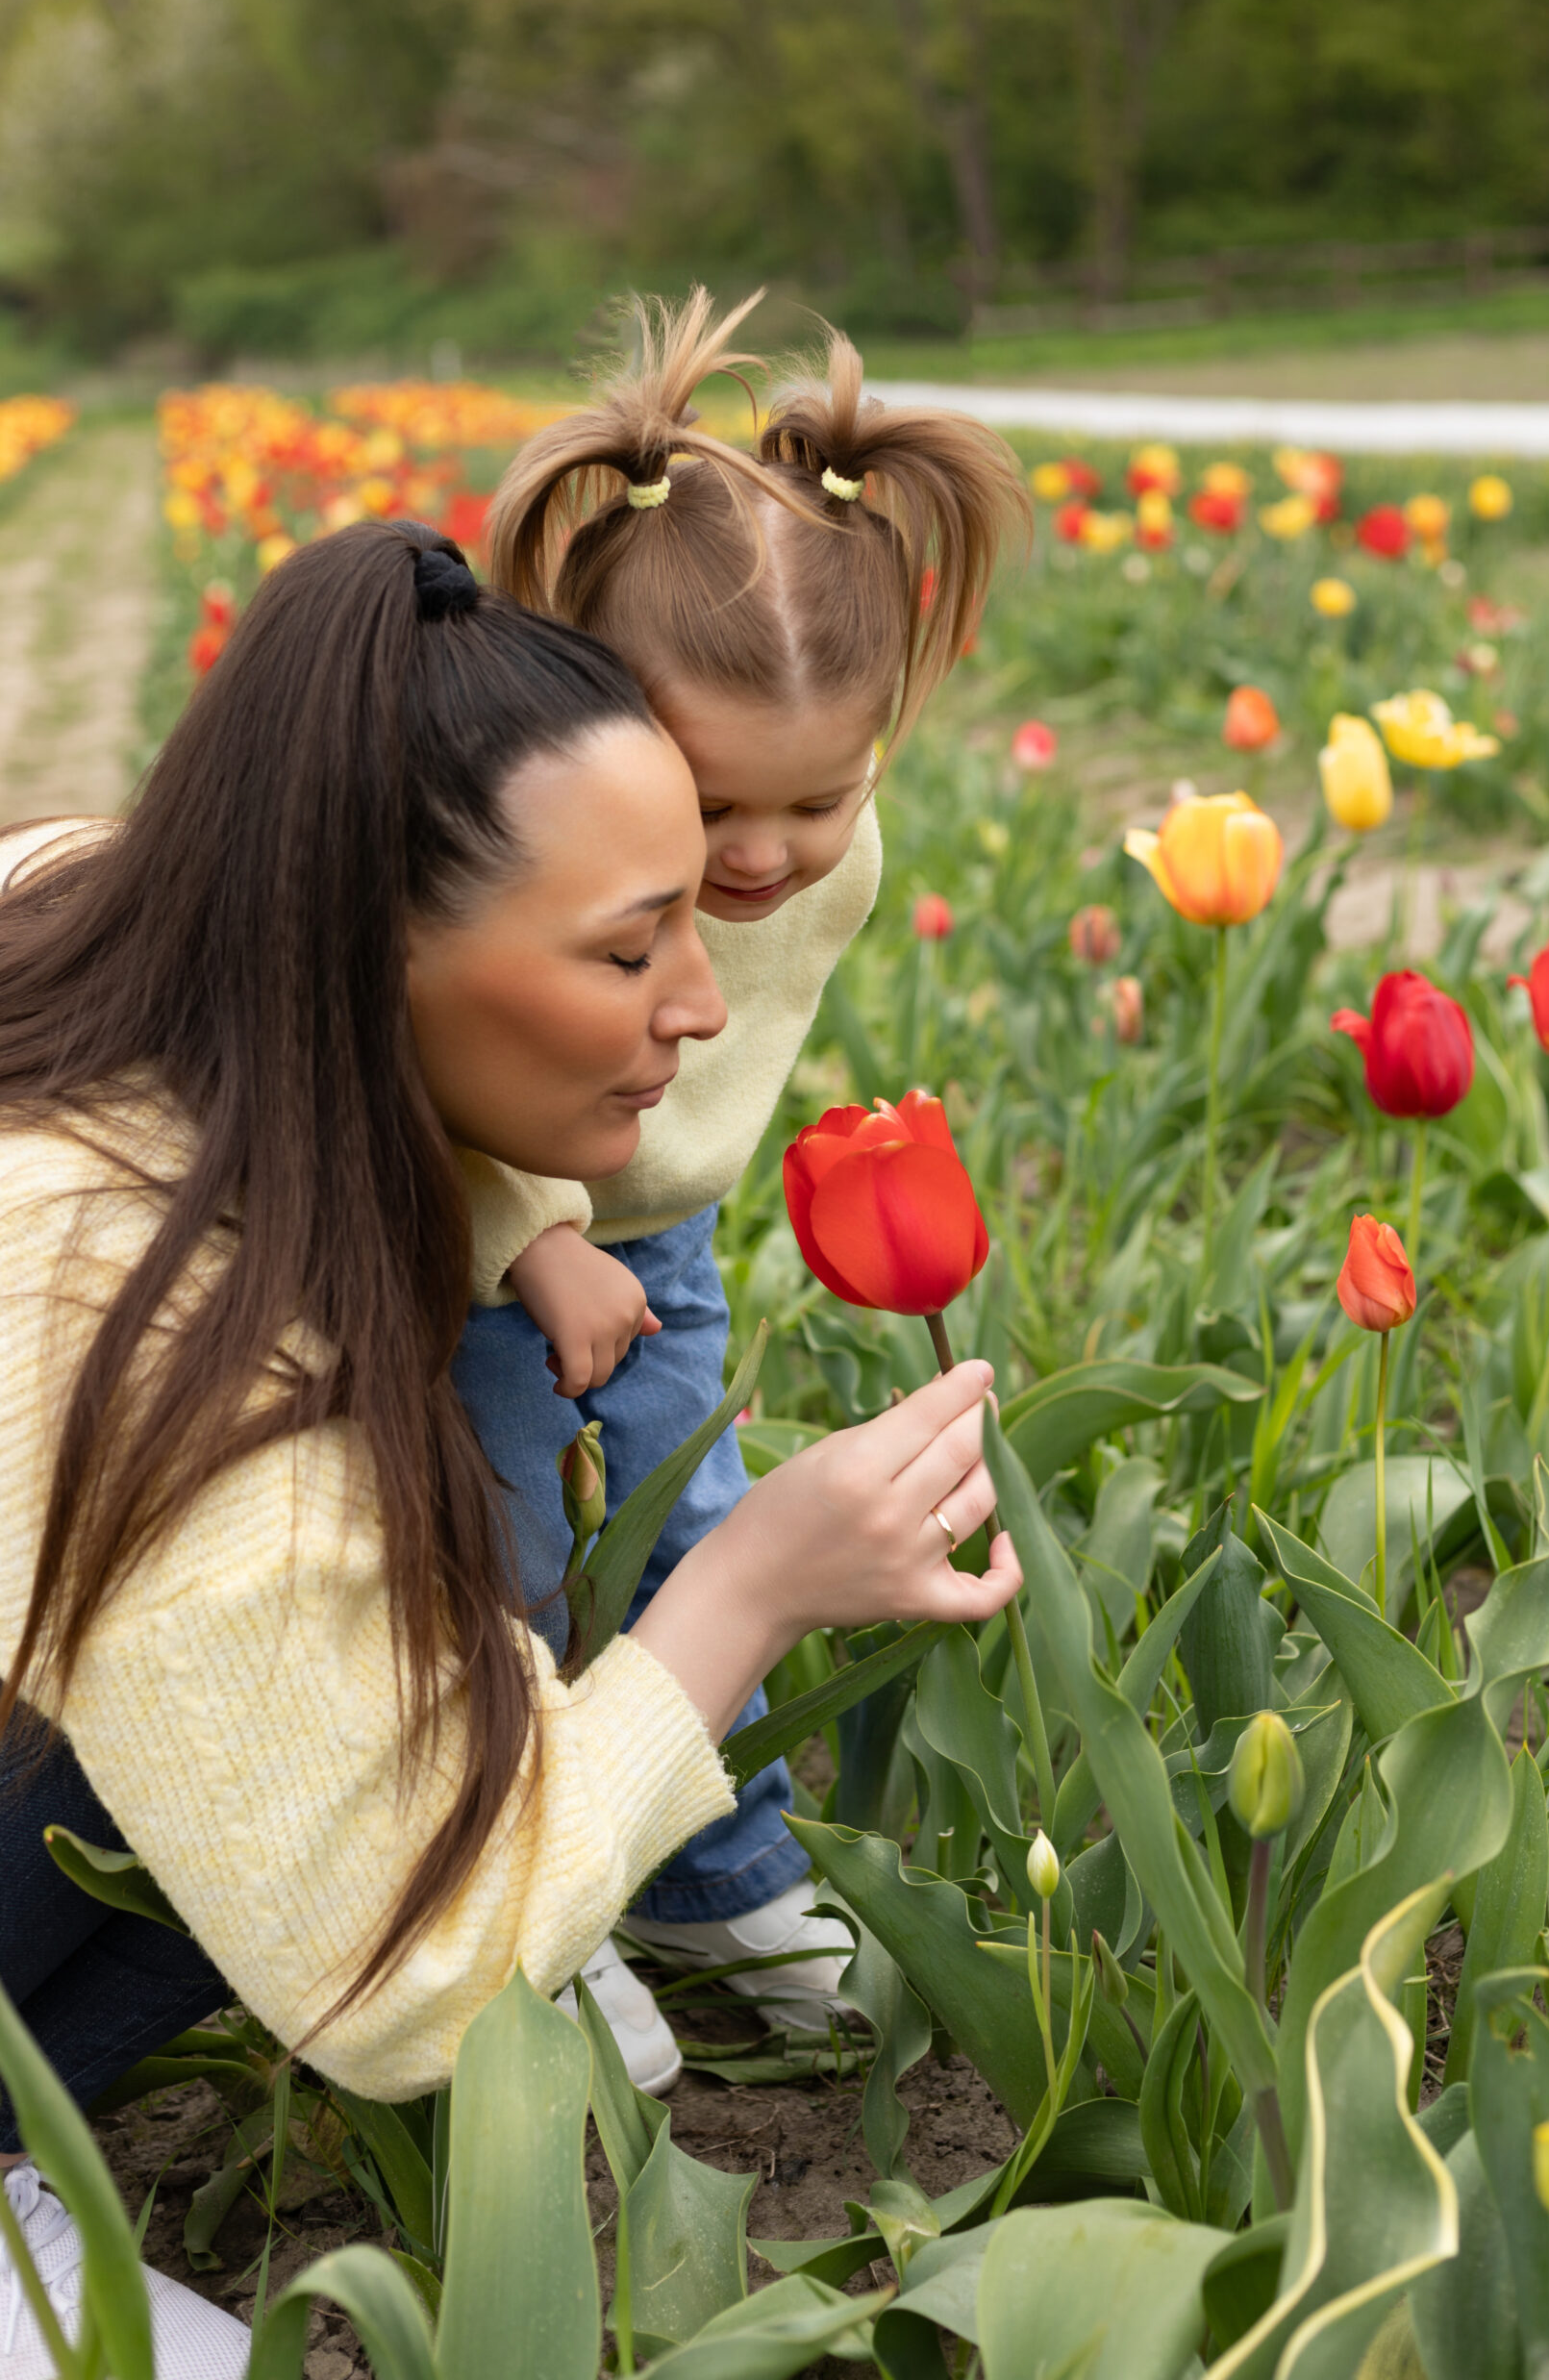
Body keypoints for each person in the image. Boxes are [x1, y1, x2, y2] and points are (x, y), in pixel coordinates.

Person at [0, 520, 1021, 2378]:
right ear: (368, 949)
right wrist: (746, 1592)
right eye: (634, 947)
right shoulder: (146, 1333)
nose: (706, 1008)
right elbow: (405, 1975)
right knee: (321, 1736)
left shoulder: (97, 915)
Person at [450, 292, 1029, 2081]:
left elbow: (723, 1046)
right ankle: (513, 1932)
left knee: (706, 1537)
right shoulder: (508, 843)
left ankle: (716, 1877)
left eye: (825, 796)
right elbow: (388, 1077)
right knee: (512, 1568)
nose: (769, 857)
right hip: (461, 1239)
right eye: (716, 813)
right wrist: (534, 1245)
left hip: (658, 1238)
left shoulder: (826, 857)